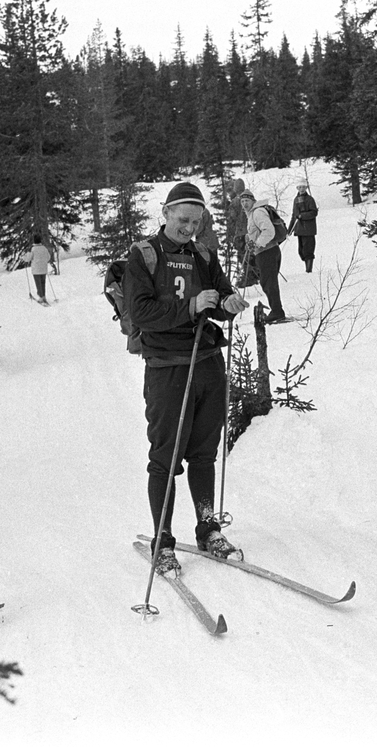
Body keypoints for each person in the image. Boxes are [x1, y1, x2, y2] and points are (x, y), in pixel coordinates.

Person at [122, 181, 251, 576]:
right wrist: (191, 305)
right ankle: (163, 540)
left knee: (204, 454)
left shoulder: (202, 253)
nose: (189, 228)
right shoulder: (143, 256)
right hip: (167, 367)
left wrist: (228, 304)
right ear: (165, 214)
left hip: (207, 361)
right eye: (182, 220)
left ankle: (208, 528)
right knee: (165, 458)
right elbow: (141, 312)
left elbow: (221, 296)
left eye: (195, 222)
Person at [246, 197, 288, 323]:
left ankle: (277, 312)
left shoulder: (257, 212)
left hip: (266, 252)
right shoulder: (253, 214)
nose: (244, 204)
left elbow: (269, 231)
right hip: (268, 251)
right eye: (242, 201)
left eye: (246, 201)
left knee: (269, 283)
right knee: (269, 282)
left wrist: (257, 244)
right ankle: (277, 310)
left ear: (253, 201)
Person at [289, 181, 319, 273]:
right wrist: (289, 230)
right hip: (299, 229)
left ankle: (308, 270)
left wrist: (303, 215)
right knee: (301, 251)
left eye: (303, 187)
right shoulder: (296, 200)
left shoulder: (310, 199)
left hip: (308, 229)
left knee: (308, 250)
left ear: (306, 188)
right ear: (297, 188)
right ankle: (307, 267)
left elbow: (314, 212)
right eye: (299, 187)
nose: (301, 189)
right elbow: (294, 215)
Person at [232, 189, 258, 287]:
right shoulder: (247, 200)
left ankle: (250, 277)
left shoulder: (236, 202)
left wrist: (233, 234)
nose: (244, 203)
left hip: (241, 234)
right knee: (250, 256)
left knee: (244, 256)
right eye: (243, 202)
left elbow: (232, 219)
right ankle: (253, 275)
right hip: (247, 233)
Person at [27, 234, 54, 303]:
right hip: (43, 269)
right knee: (43, 283)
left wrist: (24, 257)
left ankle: (41, 297)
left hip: (36, 269)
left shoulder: (33, 249)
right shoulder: (44, 248)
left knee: (38, 283)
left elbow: (28, 258)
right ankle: (44, 296)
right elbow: (48, 257)